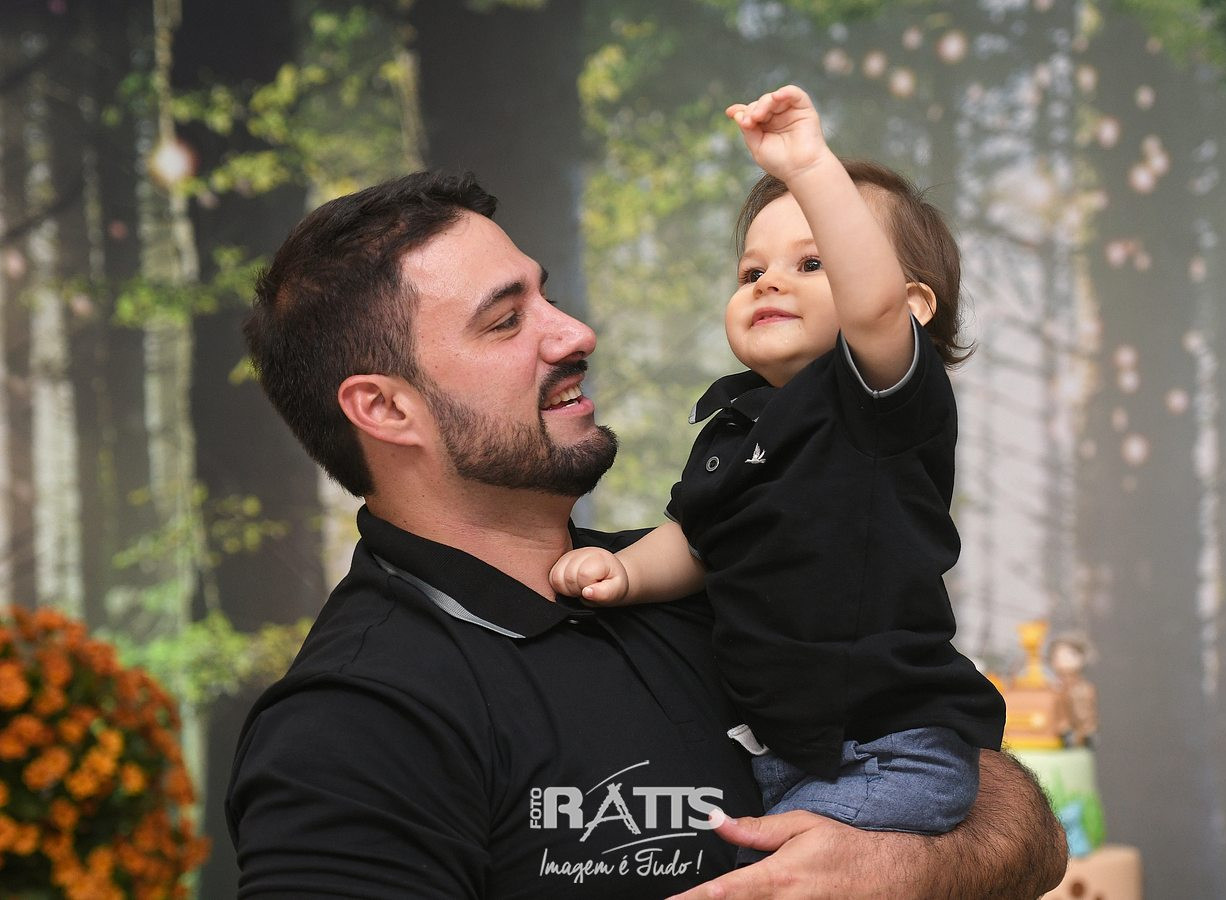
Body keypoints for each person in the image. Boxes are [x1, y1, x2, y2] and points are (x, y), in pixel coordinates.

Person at [225, 163, 1067, 897]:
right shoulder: (353, 723)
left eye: (547, 296)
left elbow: (1018, 817)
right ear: (385, 408)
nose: (576, 333)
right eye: (506, 319)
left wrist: (903, 867)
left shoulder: (721, 563)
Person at [551, 83, 1004, 850]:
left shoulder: (879, 403)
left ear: (913, 306)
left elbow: (872, 309)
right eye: (750, 271)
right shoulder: (734, 424)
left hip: (888, 747)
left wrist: (809, 167)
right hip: (784, 753)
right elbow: (699, 537)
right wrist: (625, 573)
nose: (768, 281)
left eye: (812, 261)